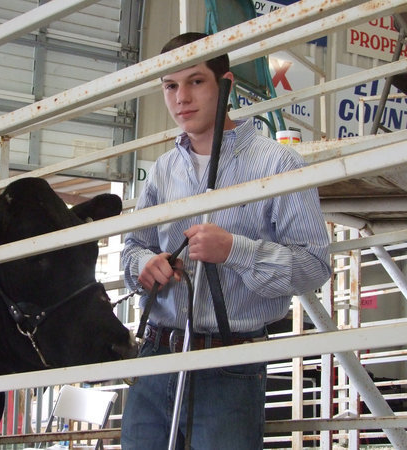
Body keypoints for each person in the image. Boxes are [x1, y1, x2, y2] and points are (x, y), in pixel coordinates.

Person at [120, 32, 332, 450]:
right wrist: (144, 266)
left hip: (230, 362)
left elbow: (314, 266)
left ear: (226, 84)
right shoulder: (163, 169)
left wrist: (236, 251)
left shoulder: (278, 163)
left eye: (196, 81)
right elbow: (131, 249)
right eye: (170, 85)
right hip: (156, 354)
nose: (182, 97)